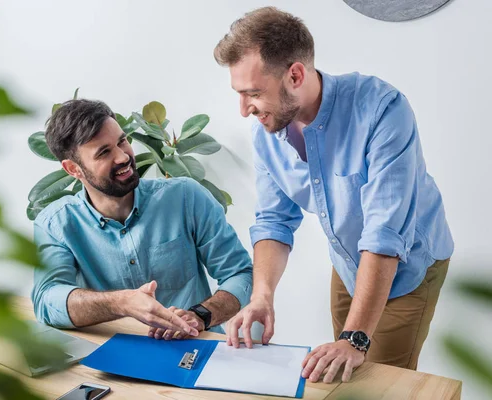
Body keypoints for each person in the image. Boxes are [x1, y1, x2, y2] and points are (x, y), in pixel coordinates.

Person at [213, 7, 453, 383]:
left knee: (380, 383)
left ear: (295, 74)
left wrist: (354, 338)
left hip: (407, 266)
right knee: (342, 373)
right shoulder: (267, 133)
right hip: (347, 260)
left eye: (253, 93)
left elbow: (384, 234)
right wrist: (261, 296)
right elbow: (274, 222)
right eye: (239, 94)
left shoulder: (382, 110)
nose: (244, 110)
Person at [31, 99, 252, 340]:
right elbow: (47, 300)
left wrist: (201, 315)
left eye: (122, 141)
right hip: (115, 357)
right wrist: (121, 303)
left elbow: (240, 273)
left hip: (195, 346)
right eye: (104, 152)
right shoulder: (55, 224)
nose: (122, 157)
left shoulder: (186, 197)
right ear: (73, 169)